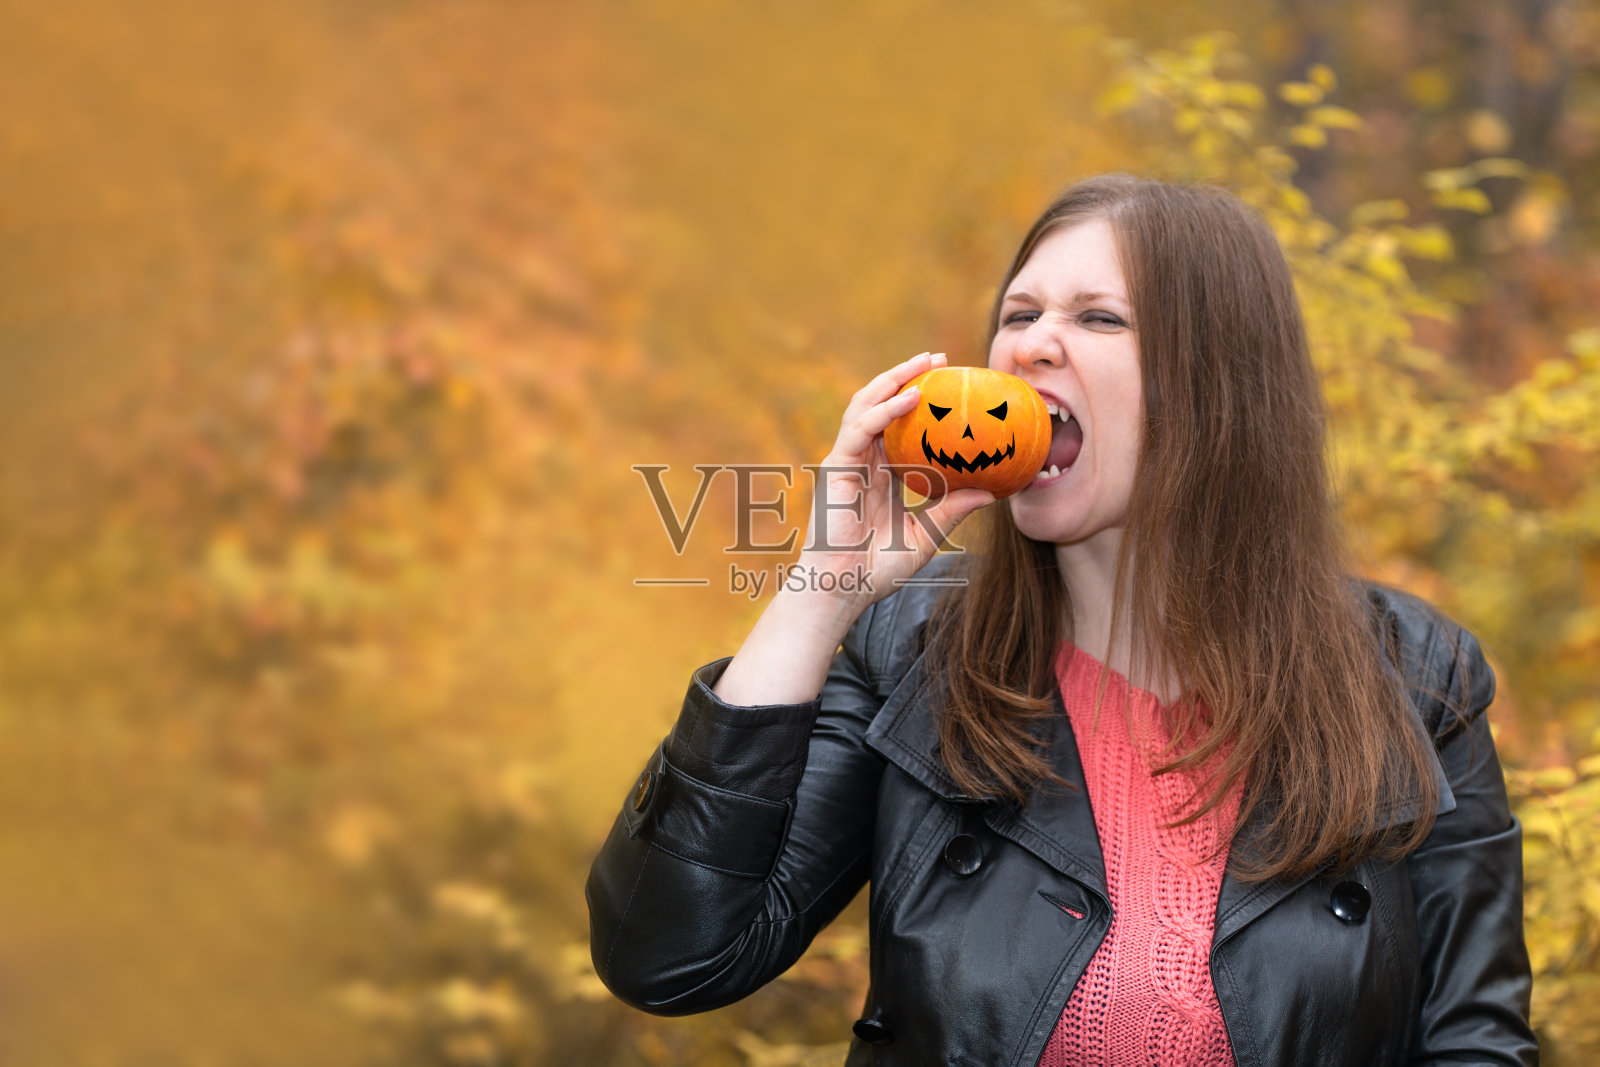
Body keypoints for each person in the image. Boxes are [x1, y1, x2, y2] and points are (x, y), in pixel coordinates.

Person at [586, 174, 1538, 1066]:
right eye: (1019, 313)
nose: (1030, 345)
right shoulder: (911, 653)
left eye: (1098, 317)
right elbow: (670, 956)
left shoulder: (1417, 678)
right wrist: (819, 594)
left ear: (1220, 386)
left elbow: (1473, 1041)